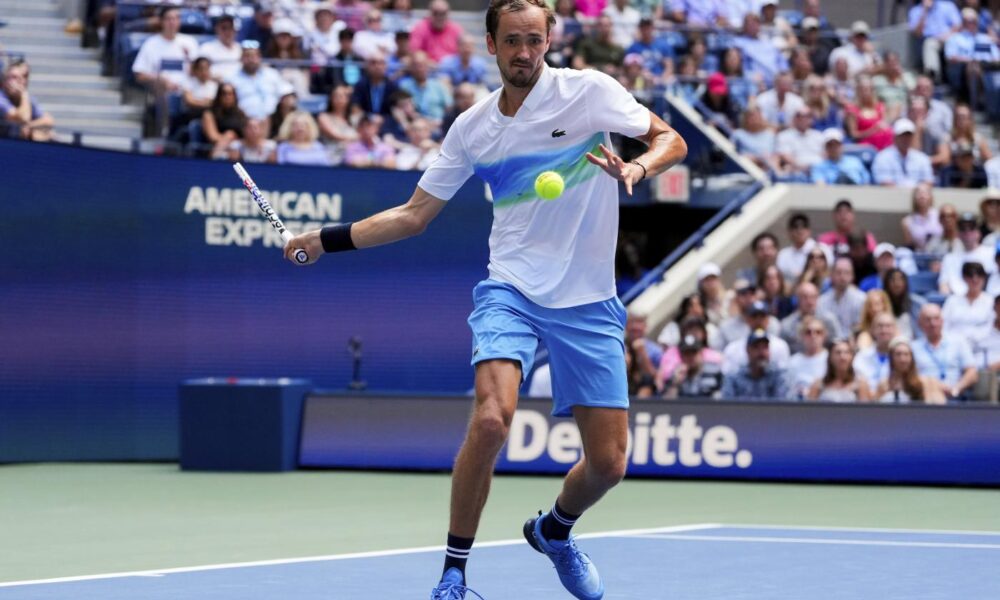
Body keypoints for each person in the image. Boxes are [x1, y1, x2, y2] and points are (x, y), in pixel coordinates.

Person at [286, 3, 688, 597]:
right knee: (493, 418)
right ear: (492, 46)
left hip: (588, 300)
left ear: (549, 39)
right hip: (512, 289)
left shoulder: (590, 93)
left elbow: (669, 138)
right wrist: (324, 240)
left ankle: (555, 530)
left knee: (608, 465)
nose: (524, 52)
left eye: (534, 39)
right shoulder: (473, 129)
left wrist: (640, 167)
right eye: (512, 41)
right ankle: (454, 572)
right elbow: (414, 215)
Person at [912, 303, 978, 399]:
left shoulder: (958, 342)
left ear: (942, 321)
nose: (932, 323)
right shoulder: (913, 347)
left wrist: (956, 389)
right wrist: (935, 386)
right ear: (920, 323)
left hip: (956, 398)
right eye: (927, 319)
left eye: (936, 318)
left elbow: (972, 372)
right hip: (924, 398)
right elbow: (909, 377)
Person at [131, 7, 199, 94]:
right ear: (161, 21)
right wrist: (159, 79)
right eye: (168, 19)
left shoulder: (190, 42)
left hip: (189, 91)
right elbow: (139, 74)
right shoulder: (151, 43)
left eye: (176, 18)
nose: (172, 22)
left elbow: (200, 71)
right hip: (161, 90)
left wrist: (189, 60)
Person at [722, 300, 791, 375]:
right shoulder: (733, 348)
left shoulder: (780, 346)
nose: (758, 321)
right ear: (747, 320)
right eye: (754, 316)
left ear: (768, 320)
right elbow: (728, 376)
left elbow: (784, 375)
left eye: (762, 316)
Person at [228, 41, 292, 121]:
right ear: (241, 58)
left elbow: (287, 92)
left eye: (254, 56)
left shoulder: (272, 74)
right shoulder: (232, 78)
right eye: (247, 56)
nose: (251, 60)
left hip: (274, 120)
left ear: (260, 57)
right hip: (244, 121)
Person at [720, 329, 790, 400]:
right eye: (756, 347)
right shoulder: (734, 376)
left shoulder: (778, 375)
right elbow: (727, 406)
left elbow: (781, 405)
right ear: (747, 350)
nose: (761, 353)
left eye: (765, 347)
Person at [656, 316, 724, 387]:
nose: (692, 333)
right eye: (689, 330)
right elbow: (660, 380)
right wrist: (675, 382)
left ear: (704, 333)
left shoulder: (714, 355)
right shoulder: (671, 352)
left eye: (696, 330)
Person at [876, 337, 947, 403]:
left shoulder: (926, 382)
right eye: (898, 354)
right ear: (891, 358)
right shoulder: (884, 385)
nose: (902, 359)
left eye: (906, 354)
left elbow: (938, 408)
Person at [938, 212, 995, 294]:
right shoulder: (949, 258)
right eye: (963, 229)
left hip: (987, 301)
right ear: (958, 234)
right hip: (958, 301)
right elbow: (943, 284)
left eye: (971, 228)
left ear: (978, 232)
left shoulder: (991, 253)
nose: (967, 232)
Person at [909, 0, 962, 83]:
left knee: (955, 45)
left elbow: (958, 26)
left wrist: (946, 36)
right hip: (931, 40)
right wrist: (924, 11)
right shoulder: (915, 11)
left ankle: (956, 81)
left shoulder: (948, 6)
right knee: (929, 44)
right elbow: (917, 33)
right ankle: (933, 76)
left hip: (950, 37)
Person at [780, 281, 841, 352]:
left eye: (813, 297)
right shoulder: (787, 325)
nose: (809, 301)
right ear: (797, 299)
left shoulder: (829, 320)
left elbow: (837, 346)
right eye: (805, 297)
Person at [871, 118, 935, 187]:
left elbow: (928, 181)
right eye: (902, 136)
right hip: (890, 196)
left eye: (908, 136)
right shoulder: (882, 157)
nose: (905, 139)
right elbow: (884, 182)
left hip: (916, 196)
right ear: (895, 137)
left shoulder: (922, 158)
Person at [941, 261, 993, 344]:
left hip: (983, 346)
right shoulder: (952, 301)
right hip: (955, 347)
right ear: (964, 278)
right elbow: (943, 325)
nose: (975, 279)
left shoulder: (991, 301)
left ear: (984, 278)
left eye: (979, 275)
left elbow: (992, 327)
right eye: (970, 275)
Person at [0, 62, 54, 141]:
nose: (18, 81)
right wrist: (24, 94)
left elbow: (49, 120)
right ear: (4, 81)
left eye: (21, 78)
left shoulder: (28, 98)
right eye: (13, 77)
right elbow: (24, 118)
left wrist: (30, 126)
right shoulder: (2, 98)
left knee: (49, 135)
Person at [807, 339, 871, 402]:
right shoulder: (818, 384)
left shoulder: (860, 384)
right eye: (838, 353)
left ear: (852, 357)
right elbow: (809, 410)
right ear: (830, 357)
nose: (842, 357)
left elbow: (865, 411)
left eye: (846, 352)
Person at [662, 335, 724, 399]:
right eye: (687, 353)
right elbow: (667, 404)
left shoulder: (714, 371)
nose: (691, 357)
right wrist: (675, 384)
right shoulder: (675, 373)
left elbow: (724, 399)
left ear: (701, 353)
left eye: (694, 352)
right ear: (681, 356)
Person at [398, 51, 451, 125]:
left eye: (422, 65)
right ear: (410, 67)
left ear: (427, 66)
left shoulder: (438, 85)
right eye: (416, 65)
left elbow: (449, 107)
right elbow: (402, 110)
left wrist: (443, 122)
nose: (419, 68)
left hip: (438, 125)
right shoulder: (404, 86)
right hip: (415, 126)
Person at [843, 75, 894, 150]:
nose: (865, 92)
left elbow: (885, 126)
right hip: (866, 146)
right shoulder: (852, 110)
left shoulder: (880, 107)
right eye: (862, 89)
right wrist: (873, 130)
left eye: (868, 89)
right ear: (857, 91)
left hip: (884, 143)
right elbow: (854, 135)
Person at [819, 257, 867, 336]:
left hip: (854, 342)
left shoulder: (862, 299)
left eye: (846, 273)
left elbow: (861, 326)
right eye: (838, 272)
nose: (842, 277)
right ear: (831, 275)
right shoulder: (822, 301)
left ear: (852, 276)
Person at [656, 293, 721, 350]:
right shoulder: (673, 327)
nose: (695, 309)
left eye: (699, 305)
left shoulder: (710, 328)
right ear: (685, 309)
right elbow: (664, 346)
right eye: (691, 306)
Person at [785, 316, 829, 400]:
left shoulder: (830, 359)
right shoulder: (792, 362)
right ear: (801, 336)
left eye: (818, 332)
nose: (813, 336)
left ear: (824, 335)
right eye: (808, 332)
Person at [775, 107, 825, 180]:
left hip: (819, 170)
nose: (804, 119)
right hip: (797, 171)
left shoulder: (818, 135)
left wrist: (817, 168)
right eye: (801, 116)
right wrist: (801, 168)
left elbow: (825, 155)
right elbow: (785, 155)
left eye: (808, 116)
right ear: (795, 118)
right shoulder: (784, 136)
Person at [854, 312, 898, 389]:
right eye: (880, 326)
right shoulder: (862, 356)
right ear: (872, 330)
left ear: (895, 329)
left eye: (888, 326)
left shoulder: (903, 356)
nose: (884, 330)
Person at [202, 83, 247, 158]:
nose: (227, 97)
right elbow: (213, 137)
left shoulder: (241, 113)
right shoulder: (209, 113)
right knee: (230, 135)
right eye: (224, 94)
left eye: (230, 94)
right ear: (218, 96)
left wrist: (236, 142)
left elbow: (246, 136)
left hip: (239, 148)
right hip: (218, 147)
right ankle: (214, 159)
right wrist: (230, 138)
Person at [883, 268, 925, 340]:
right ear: (887, 284)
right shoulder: (881, 304)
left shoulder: (918, 303)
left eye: (900, 279)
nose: (897, 284)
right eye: (893, 280)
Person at [198, 15, 242, 80]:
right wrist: (212, 77)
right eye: (224, 28)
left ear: (235, 31)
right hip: (214, 85)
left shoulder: (241, 49)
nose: (227, 32)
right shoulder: (206, 48)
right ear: (217, 29)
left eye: (230, 28)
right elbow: (197, 71)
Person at [901, 183, 942, 251]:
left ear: (931, 196)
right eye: (919, 193)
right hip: (919, 256)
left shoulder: (940, 215)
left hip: (939, 254)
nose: (922, 196)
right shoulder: (907, 222)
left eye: (925, 193)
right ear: (914, 197)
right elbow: (910, 246)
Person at [777, 213, 816, 282]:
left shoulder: (821, 250)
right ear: (789, 232)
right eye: (795, 227)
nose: (799, 231)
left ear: (809, 230)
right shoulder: (783, 254)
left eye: (804, 226)